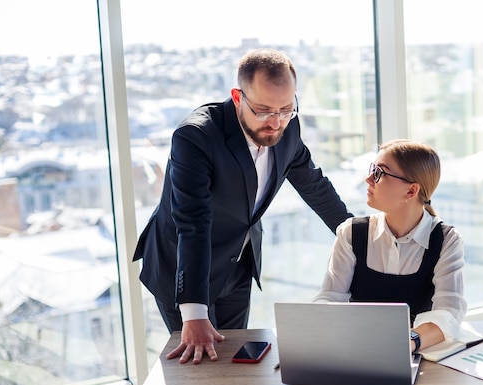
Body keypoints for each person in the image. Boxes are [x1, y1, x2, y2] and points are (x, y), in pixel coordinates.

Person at [133, 49, 352, 364]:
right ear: (238, 96)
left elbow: (315, 187)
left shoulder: (288, 127)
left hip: (237, 263)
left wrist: (359, 237)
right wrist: (194, 312)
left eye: (286, 109)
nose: (275, 122)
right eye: (263, 110)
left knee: (234, 365)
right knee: (200, 371)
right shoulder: (195, 137)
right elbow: (193, 224)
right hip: (184, 265)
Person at [313, 139, 466, 353]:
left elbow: (449, 313)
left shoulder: (447, 240)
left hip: (416, 356)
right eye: (371, 169)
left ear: (411, 192)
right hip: (356, 351)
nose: (368, 179)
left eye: (379, 173)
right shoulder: (351, 233)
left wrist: (409, 342)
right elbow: (330, 298)